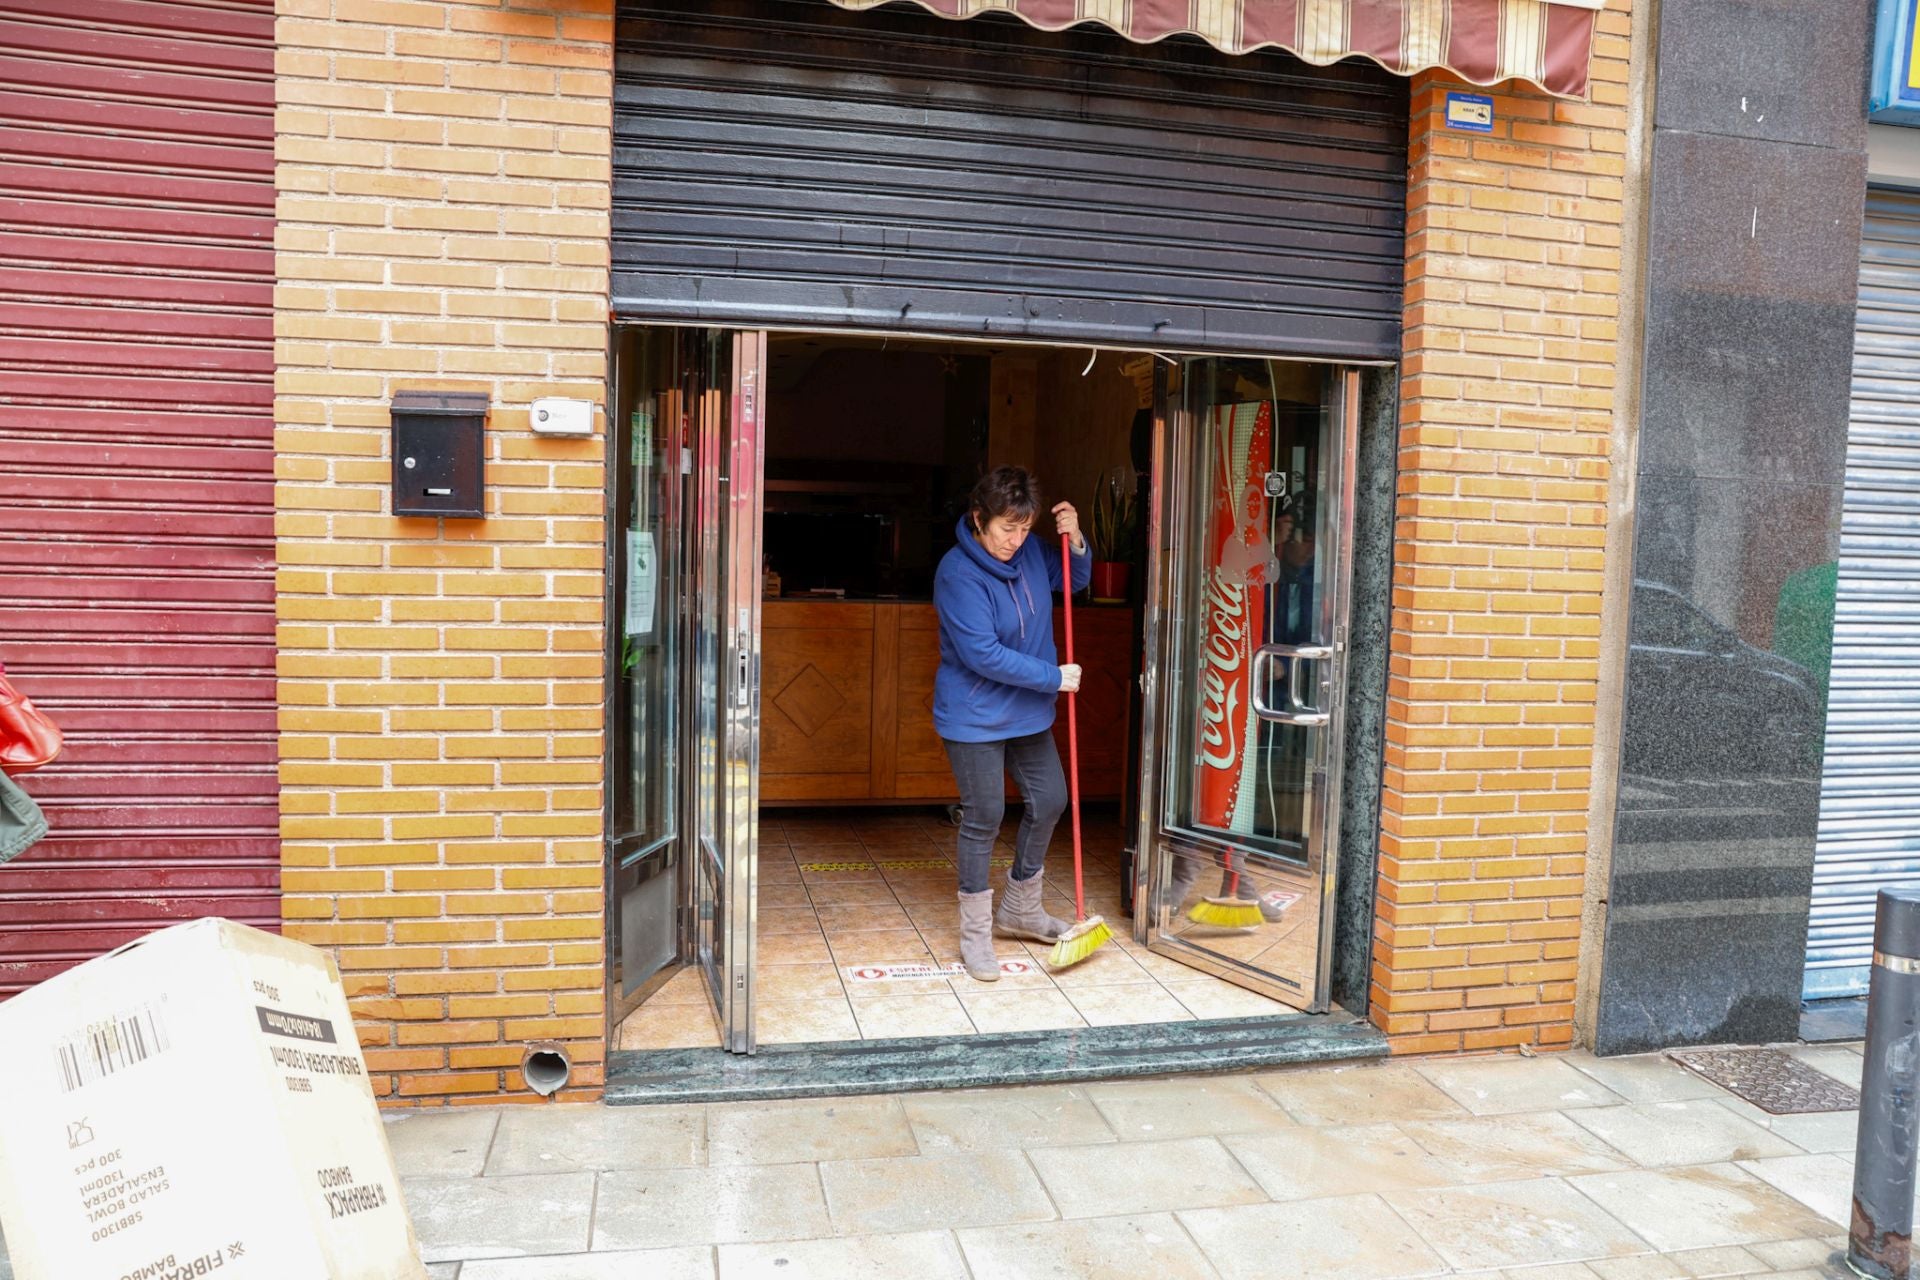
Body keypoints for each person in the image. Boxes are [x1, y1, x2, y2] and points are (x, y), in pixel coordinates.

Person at [933, 466, 1093, 981]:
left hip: (1026, 710)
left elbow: (1076, 579)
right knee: (985, 814)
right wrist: (1053, 676)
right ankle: (976, 936)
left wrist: (1075, 539)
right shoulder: (957, 573)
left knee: (1050, 800)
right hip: (975, 714)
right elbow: (982, 654)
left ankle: (1020, 908)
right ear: (979, 518)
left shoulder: (1029, 554)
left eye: (1025, 529)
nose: (1015, 540)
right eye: (1007, 528)